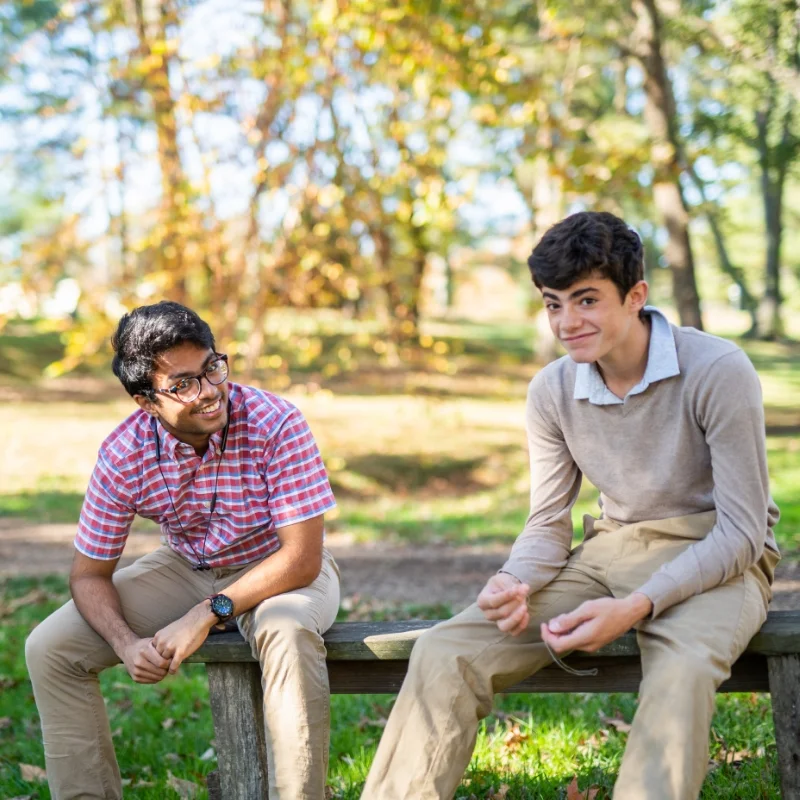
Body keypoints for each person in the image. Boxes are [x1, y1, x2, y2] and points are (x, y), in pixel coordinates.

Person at [362, 211, 780, 800]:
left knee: (679, 674)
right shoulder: (553, 390)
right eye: (553, 304)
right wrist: (512, 580)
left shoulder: (717, 370)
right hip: (609, 549)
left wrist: (638, 606)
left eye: (586, 300)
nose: (567, 322)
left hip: (719, 559)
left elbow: (741, 532)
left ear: (636, 296)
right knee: (444, 649)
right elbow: (547, 522)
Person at [26, 301, 340, 800]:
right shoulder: (122, 454)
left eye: (212, 368)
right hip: (186, 566)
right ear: (145, 402)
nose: (210, 391)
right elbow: (89, 576)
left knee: (286, 627)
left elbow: (302, 557)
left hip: (281, 567)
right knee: (50, 648)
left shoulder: (276, 422)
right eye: (183, 385)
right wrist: (126, 643)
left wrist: (204, 614)